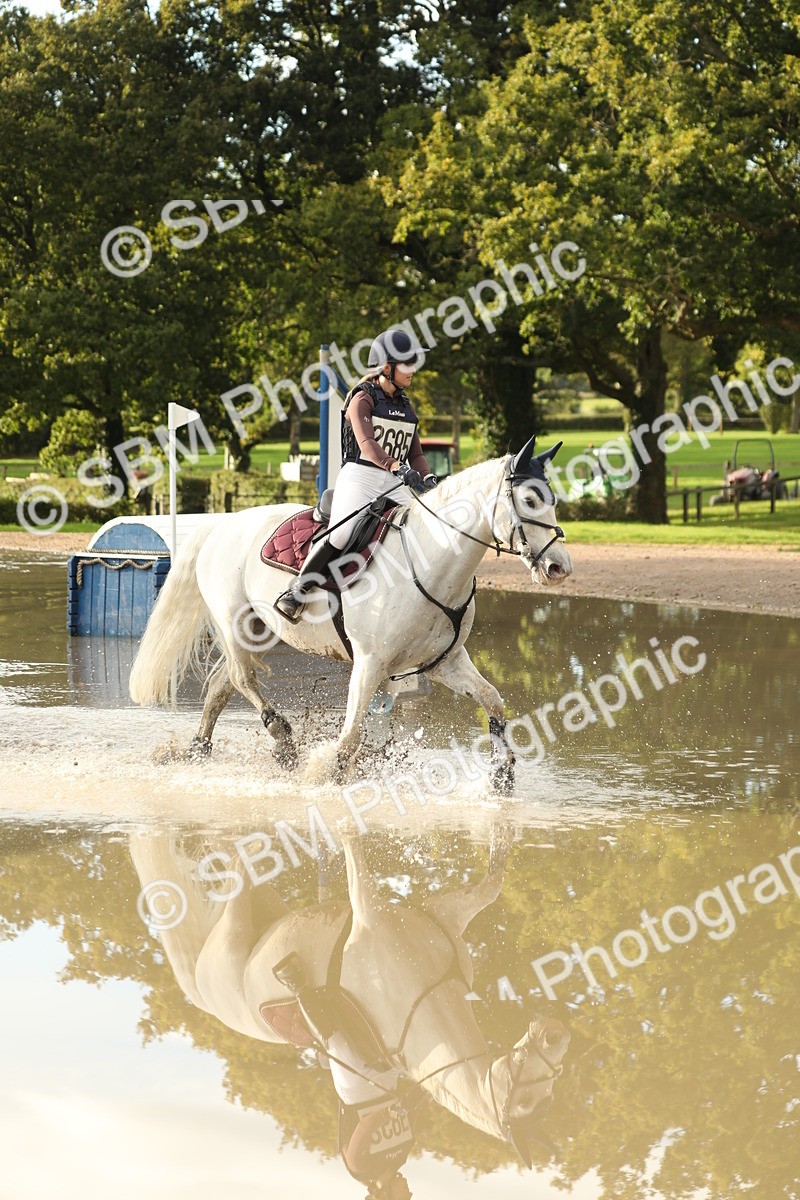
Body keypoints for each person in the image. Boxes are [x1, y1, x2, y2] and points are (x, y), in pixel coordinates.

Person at [274, 327, 437, 623]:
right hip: (360, 477)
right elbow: (367, 445)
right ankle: (297, 589)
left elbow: (416, 453)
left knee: (423, 525)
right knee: (342, 532)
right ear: (386, 367)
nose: (413, 370)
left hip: (393, 480)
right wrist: (396, 467)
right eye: (408, 364)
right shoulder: (362, 398)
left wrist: (427, 478)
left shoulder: (405, 405)